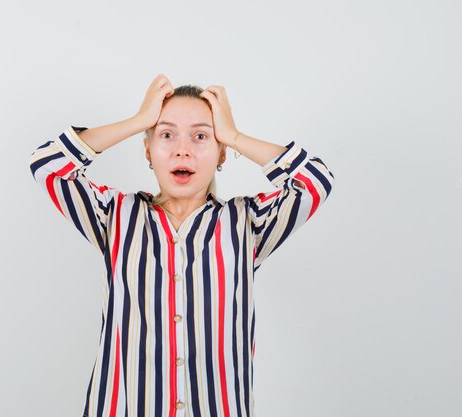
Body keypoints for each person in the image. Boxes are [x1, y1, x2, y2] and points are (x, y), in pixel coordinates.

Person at [28, 74, 335, 417]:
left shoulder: (247, 223)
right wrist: (138, 121)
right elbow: (48, 165)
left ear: (221, 154)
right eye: (166, 134)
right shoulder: (113, 216)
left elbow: (314, 182)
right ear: (148, 150)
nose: (182, 149)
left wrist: (233, 136)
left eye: (201, 136)